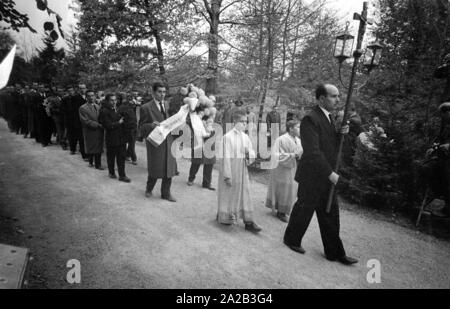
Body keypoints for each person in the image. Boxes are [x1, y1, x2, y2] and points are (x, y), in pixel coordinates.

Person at [283, 84, 358, 266]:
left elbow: (330, 147)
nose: (338, 99)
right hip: (312, 175)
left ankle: (335, 252)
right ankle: (292, 239)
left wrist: (341, 135)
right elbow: (313, 152)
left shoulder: (329, 118)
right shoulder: (311, 118)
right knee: (304, 208)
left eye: (339, 96)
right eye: (334, 96)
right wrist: (331, 174)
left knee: (330, 213)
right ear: (322, 98)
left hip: (325, 175)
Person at [217, 110, 261, 233]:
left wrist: (248, 153)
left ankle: (248, 221)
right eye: (242, 121)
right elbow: (225, 157)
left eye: (246, 122)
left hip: (242, 168)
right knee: (229, 193)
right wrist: (227, 175)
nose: (244, 124)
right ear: (235, 122)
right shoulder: (227, 137)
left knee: (245, 193)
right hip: (231, 168)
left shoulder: (245, 137)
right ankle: (225, 216)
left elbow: (251, 152)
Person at [139, 82, 177, 202]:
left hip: (168, 141)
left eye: (164, 92)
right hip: (155, 142)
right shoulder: (145, 107)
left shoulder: (167, 104)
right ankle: (149, 189)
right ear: (153, 92)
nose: (162, 94)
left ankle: (166, 193)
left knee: (169, 168)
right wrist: (151, 125)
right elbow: (141, 127)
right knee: (155, 167)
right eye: (159, 92)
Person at [266, 120, 303, 222]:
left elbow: (300, 153)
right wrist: (293, 155)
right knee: (283, 188)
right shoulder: (281, 139)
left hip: (292, 168)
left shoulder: (298, 140)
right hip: (281, 169)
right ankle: (281, 211)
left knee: (291, 188)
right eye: (298, 127)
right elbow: (275, 155)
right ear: (291, 128)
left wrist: (299, 155)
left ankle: (284, 209)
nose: (300, 129)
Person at [422, 102, 450, 218]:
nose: (443, 118)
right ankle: (437, 199)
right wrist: (433, 147)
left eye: (444, 115)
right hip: (443, 158)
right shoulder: (446, 125)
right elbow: (440, 140)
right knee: (424, 169)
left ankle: (445, 206)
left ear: (448, 113)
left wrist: (448, 146)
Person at [99, 93, 131, 183]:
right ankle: (111, 172)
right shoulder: (104, 111)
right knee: (111, 156)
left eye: (115, 100)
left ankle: (122, 175)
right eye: (111, 100)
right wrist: (119, 122)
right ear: (107, 101)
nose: (114, 102)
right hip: (111, 137)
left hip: (121, 137)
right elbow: (107, 125)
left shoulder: (117, 109)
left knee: (121, 156)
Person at [187, 108, 216, 190]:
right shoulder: (194, 116)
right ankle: (191, 178)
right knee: (196, 161)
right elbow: (189, 123)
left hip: (209, 138)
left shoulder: (212, 113)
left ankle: (206, 183)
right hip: (198, 139)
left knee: (209, 162)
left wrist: (210, 126)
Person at [79, 89, 105, 170]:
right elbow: (85, 120)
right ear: (86, 97)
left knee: (99, 147)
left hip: (99, 130)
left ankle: (98, 164)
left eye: (92, 95)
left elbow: (101, 117)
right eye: (89, 96)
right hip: (90, 130)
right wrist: (97, 125)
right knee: (91, 146)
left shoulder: (98, 106)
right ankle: (92, 161)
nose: (91, 97)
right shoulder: (83, 108)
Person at [66, 83, 87, 159]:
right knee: (80, 137)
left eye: (84, 88)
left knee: (86, 137)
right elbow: (73, 111)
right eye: (81, 88)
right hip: (78, 120)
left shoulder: (88, 97)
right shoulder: (75, 98)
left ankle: (87, 152)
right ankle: (84, 154)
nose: (82, 90)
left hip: (87, 120)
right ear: (78, 90)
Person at [118, 92, 138, 165]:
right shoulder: (124, 106)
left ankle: (128, 155)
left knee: (130, 143)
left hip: (131, 126)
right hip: (129, 127)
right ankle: (133, 158)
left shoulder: (127, 106)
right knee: (131, 143)